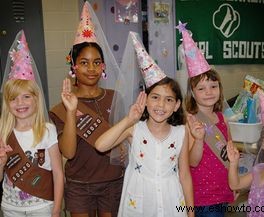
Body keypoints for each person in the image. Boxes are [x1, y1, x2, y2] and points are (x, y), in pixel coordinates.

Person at [95, 32, 194, 217]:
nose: (161, 105)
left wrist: (190, 213)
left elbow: (185, 175)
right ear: (146, 100)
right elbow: (101, 146)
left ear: (176, 105)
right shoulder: (135, 129)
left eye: (168, 100)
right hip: (139, 203)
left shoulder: (181, 132)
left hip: (171, 201)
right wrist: (128, 120)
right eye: (155, 98)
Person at [49, 2, 124, 217]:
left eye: (97, 62)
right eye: (84, 62)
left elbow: (124, 141)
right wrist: (72, 111)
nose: (91, 69)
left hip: (113, 181)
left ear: (103, 66)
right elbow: (69, 152)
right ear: (73, 66)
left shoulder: (114, 98)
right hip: (80, 185)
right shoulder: (60, 109)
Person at [0, 30, 64, 217]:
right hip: (11, 207)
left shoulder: (47, 130)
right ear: (7, 103)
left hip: (42, 206)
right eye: (14, 99)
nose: (20, 103)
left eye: (26, 96)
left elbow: (58, 173)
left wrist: (57, 208)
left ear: (37, 99)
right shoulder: (3, 131)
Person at [176, 22, 234, 217]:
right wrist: (199, 138)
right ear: (192, 93)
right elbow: (192, 162)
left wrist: (235, 180)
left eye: (213, 86)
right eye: (201, 88)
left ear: (220, 88)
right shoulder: (190, 121)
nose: (209, 92)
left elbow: (230, 153)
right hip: (203, 194)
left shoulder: (222, 119)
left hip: (224, 189)